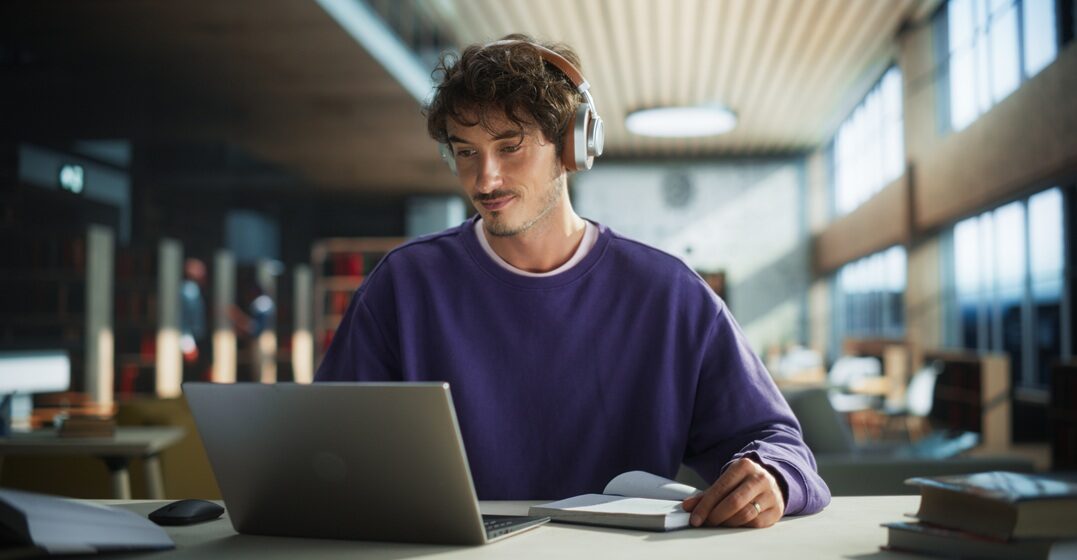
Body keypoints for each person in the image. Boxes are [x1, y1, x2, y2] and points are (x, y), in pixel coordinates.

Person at [316, 34, 830, 528]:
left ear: (572, 146)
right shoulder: (403, 288)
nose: (484, 178)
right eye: (466, 151)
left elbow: (778, 443)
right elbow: (323, 447)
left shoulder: (667, 294)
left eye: (509, 147)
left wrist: (774, 480)